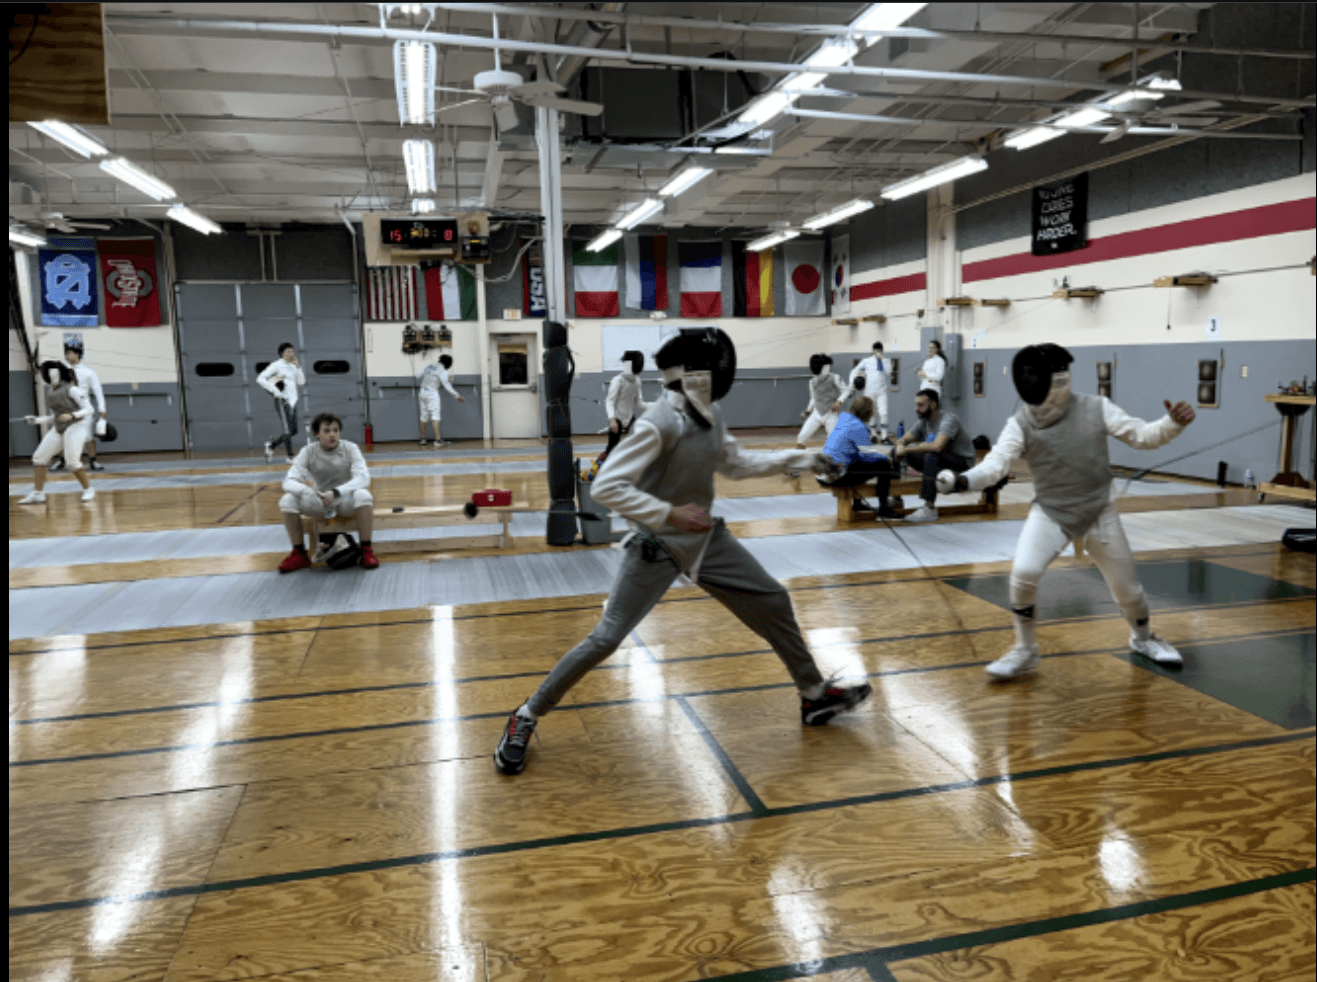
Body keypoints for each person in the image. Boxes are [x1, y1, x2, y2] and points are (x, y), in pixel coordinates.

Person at [494, 328, 872, 776]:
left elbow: (736, 464)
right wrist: (668, 513)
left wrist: (801, 459)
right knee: (607, 638)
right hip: (657, 544)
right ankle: (526, 714)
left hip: (705, 539)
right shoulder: (659, 424)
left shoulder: (709, 414)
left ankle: (813, 695)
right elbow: (607, 485)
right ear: (693, 375)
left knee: (773, 598)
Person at [939, 343, 1195, 679]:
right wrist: (962, 480)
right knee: (1023, 573)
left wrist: (1171, 423)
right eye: (1026, 375)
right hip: (1051, 513)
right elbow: (995, 466)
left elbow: (1143, 436)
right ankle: (1025, 650)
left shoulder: (1095, 407)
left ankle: (1143, 638)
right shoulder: (1021, 422)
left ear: (1056, 378)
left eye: (1036, 374)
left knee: (1128, 590)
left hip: (1099, 512)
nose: (1030, 380)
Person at [277, 412, 379, 572]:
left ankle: (366, 550)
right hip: (320, 502)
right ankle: (299, 554)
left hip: (344, 501)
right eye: (327, 430)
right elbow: (289, 481)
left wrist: (337, 492)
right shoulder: (308, 451)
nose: (332, 434)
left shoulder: (350, 448)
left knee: (363, 495)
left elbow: (363, 478)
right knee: (287, 500)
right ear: (316, 434)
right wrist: (308, 492)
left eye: (336, 430)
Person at [889, 388, 975, 523]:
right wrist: (900, 446)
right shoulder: (923, 421)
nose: (916, 409)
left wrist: (906, 449)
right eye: (916, 405)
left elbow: (937, 446)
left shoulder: (949, 420)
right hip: (941, 461)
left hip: (962, 463)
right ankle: (896, 499)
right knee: (894, 452)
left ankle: (929, 508)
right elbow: (903, 439)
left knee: (931, 454)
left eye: (920, 405)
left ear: (933, 405)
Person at [18, 361, 97, 504]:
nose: (49, 375)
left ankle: (88, 490)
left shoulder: (73, 389)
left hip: (76, 426)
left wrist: (72, 415)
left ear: (58, 373)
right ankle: (38, 494)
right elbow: (55, 417)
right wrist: (36, 420)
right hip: (59, 428)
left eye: (51, 372)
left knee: (72, 462)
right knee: (39, 458)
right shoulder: (52, 392)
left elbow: (89, 409)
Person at [816, 395, 900, 517]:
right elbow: (869, 455)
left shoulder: (843, 419)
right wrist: (887, 458)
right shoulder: (858, 426)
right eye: (872, 411)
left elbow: (857, 453)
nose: (873, 413)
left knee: (857, 460)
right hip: (835, 477)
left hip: (822, 474)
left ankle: (858, 504)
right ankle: (884, 509)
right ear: (867, 412)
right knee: (884, 465)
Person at [48, 340, 108, 472]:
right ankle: (62, 461)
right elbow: (55, 390)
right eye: (66, 353)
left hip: (83, 410)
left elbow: (98, 391)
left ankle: (93, 461)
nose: (68, 356)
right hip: (64, 409)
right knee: (62, 436)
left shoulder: (89, 372)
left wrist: (102, 409)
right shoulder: (61, 372)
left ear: (78, 354)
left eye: (70, 353)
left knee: (87, 437)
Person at [258, 342, 305, 463]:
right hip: (282, 401)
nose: (291, 354)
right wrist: (276, 392)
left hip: (293, 402)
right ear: (281, 353)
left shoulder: (294, 366)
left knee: (294, 431)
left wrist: (298, 366)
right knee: (287, 430)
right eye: (288, 351)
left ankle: (271, 446)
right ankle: (290, 456)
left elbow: (301, 382)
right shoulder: (276, 365)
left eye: (292, 351)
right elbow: (260, 378)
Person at [796, 353, 846, 448]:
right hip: (817, 413)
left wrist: (839, 401)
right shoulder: (812, 382)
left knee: (834, 442)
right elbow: (814, 398)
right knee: (801, 438)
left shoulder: (835, 377)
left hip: (831, 413)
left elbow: (846, 390)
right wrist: (808, 410)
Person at [845, 342, 891, 443]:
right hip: (869, 391)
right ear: (873, 351)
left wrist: (882, 359)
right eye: (876, 350)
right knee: (871, 413)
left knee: (883, 413)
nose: (878, 352)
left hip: (881, 391)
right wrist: (853, 383)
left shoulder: (886, 360)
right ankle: (873, 435)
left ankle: (884, 437)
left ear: (882, 351)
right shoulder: (866, 361)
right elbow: (854, 370)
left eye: (879, 350)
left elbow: (889, 371)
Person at [417, 352, 465, 447]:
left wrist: (432, 378)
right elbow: (447, 386)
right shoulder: (443, 370)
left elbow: (418, 375)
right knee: (435, 416)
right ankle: (438, 440)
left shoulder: (430, 365)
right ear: (448, 363)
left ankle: (423, 440)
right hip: (432, 394)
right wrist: (458, 396)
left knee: (423, 416)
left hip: (422, 392)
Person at [604, 349, 647, 457]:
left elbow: (640, 404)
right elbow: (610, 401)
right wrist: (612, 420)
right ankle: (602, 465)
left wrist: (657, 404)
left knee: (639, 441)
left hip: (629, 417)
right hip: (617, 418)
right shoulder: (618, 380)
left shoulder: (637, 381)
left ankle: (633, 463)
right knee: (612, 447)